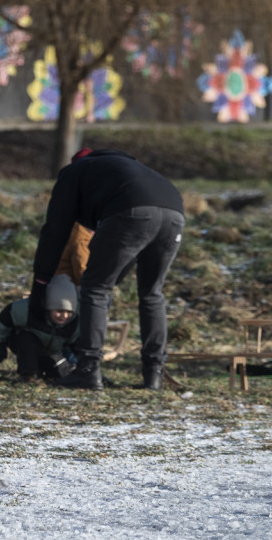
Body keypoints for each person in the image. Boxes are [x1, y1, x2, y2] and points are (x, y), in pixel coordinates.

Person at [30, 148, 185, 391]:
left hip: (131, 211)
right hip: (174, 213)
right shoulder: (127, 170)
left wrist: (40, 280)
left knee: (95, 288)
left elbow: (56, 230)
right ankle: (153, 374)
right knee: (152, 293)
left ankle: (87, 370)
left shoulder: (74, 171)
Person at [0, 273, 80, 382]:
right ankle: (28, 375)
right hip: (27, 344)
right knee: (27, 340)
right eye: (59, 311)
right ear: (48, 307)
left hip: (51, 351)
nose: (64, 316)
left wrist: (81, 365)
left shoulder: (74, 322)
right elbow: (5, 319)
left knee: (64, 375)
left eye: (69, 312)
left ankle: (44, 372)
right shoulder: (30, 310)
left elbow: (77, 345)